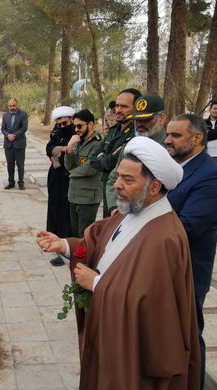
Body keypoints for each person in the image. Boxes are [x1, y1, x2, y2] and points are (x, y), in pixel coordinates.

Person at [36, 136, 200, 390]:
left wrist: (99, 285)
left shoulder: (164, 237)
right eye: (118, 177)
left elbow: (157, 308)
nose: (117, 185)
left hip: (137, 363)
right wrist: (65, 246)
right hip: (113, 340)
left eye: (128, 180)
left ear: (155, 186)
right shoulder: (131, 211)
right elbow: (101, 245)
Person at [165, 114, 217, 390]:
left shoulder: (212, 178)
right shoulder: (169, 167)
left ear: (197, 138)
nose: (167, 140)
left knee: (188, 339)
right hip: (160, 268)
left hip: (186, 273)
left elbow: (186, 228)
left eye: (175, 135)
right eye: (168, 134)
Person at [105, 93, 167, 216]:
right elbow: (113, 178)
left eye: (146, 119)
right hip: (127, 214)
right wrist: (114, 208)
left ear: (162, 118)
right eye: (137, 119)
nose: (139, 124)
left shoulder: (170, 148)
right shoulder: (131, 147)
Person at [90, 88, 141, 217]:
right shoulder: (114, 130)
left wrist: (104, 158)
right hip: (107, 189)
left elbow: (111, 162)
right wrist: (104, 159)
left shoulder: (136, 134)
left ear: (136, 108)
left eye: (124, 106)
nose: (118, 110)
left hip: (123, 195)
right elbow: (93, 159)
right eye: (117, 105)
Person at [45, 106, 76, 266]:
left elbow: (69, 155)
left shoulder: (75, 134)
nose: (62, 127)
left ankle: (63, 244)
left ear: (71, 120)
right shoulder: (57, 132)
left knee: (65, 210)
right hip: (55, 176)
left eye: (65, 124)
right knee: (53, 207)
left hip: (67, 177)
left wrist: (57, 152)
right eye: (59, 124)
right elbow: (48, 148)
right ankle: (51, 238)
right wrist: (60, 149)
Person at [64, 109, 102, 238]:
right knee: (75, 234)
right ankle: (76, 258)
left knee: (85, 236)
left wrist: (72, 173)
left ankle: (86, 259)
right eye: (75, 126)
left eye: (79, 126)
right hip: (74, 195)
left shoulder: (97, 144)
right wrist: (69, 147)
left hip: (88, 198)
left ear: (90, 124)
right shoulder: (77, 142)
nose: (76, 129)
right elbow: (68, 165)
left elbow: (90, 168)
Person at [1, 98, 28, 190]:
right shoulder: (5, 115)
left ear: (17, 105)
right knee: (10, 164)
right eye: (10, 106)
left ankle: (21, 182)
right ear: (8, 106)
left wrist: (14, 135)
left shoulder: (23, 114)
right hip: (8, 144)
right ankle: (11, 182)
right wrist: (8, 135)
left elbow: (24, 128)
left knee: (20, 164)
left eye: (14, 105)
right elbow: (3, 129)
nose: (12, 107)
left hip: (19, 143)